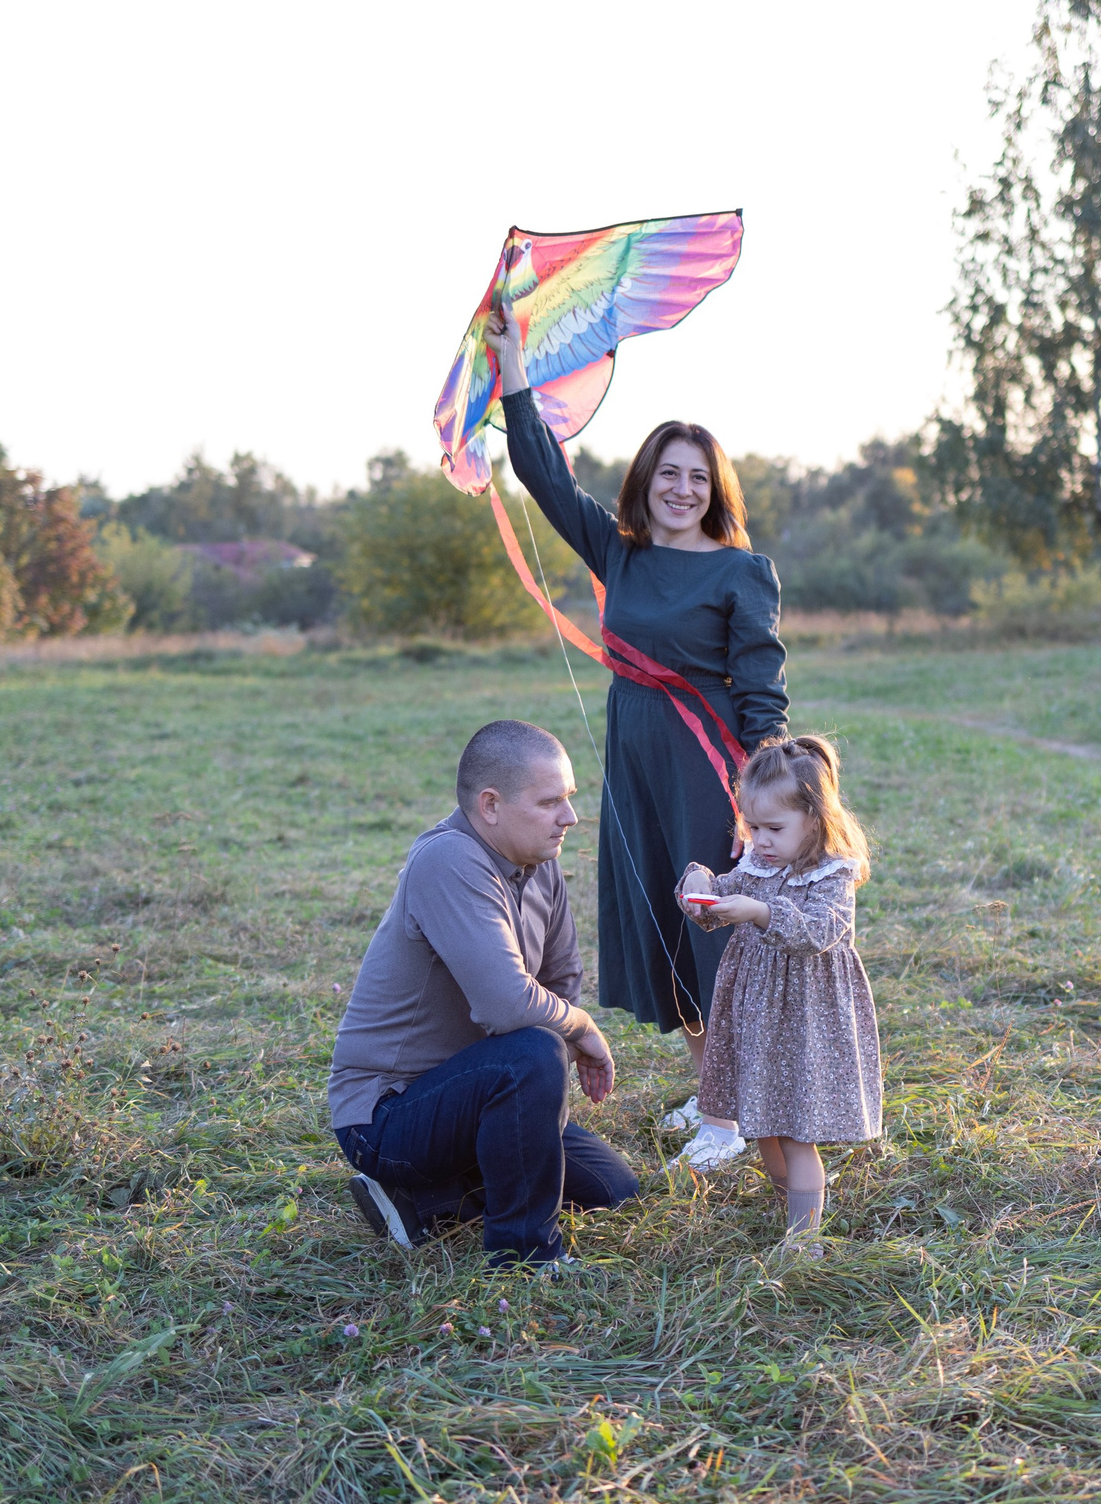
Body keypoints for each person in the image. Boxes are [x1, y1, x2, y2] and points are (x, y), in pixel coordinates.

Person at [487, 298, 788, 1175]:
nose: (682, 488)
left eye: (698, 476)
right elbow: (543, 475)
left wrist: (762, 791)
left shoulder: (742, 571)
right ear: (646, 483)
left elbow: (762, 686)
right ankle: (716, 1092)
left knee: (712, 927)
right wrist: (515, 375)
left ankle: (732, 1118)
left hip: (706, 761)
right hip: (632, 761)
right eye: (668, 473)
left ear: (715, 487)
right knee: (663, 922)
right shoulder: (618, 552)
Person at [329, 719, 638, 1271]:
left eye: (568, 799)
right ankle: (525, 1257)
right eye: (550, 802)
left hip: (483, 1091)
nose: (569, 817)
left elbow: (562, 978)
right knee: (533, 1051)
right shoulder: (447, 859)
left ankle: (426, 1203)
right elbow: (507, 1007)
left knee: (613, 1188)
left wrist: (548, 1063)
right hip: (388, 1116)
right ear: (490, 805)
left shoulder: (541, 864)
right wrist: (583, 1028)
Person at [676, 735, 882, 1246]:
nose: (760, 840)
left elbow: (819, 933)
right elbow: (722, 900)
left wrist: (762, 912)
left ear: (814, 818)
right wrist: (702, 889)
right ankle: (790, 1199)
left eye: (774, 828)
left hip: (806, 1018)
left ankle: (803, 1240)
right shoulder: (758, 864)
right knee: (761, 1122)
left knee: (794, 1130)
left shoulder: (832, 873)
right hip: (757, 1014)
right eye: (752, 827)